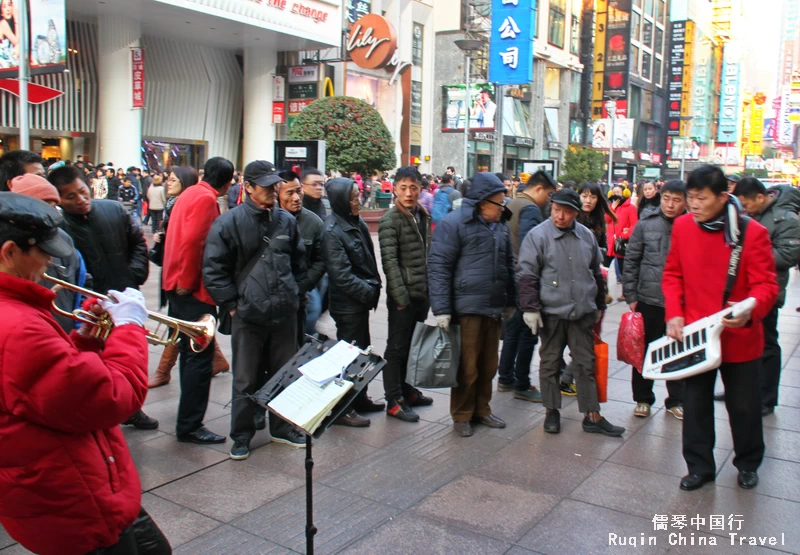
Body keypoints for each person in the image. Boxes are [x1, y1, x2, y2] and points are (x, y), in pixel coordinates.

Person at [0, 192, 171, 555]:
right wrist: (128, 329)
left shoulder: (16, 309)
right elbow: (111, 398)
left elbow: (47, 388)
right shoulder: (18, 324)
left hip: (68, 480)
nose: (50, 260)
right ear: (9, 252)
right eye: (42, 251)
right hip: (71, 499)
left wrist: (84, 342)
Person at [662, 165, 778, 491]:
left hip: (739, 335)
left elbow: (766, 285)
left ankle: (748, 463)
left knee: (744, 406)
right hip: (697, 336)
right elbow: (673, 275)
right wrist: (674, 314)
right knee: (696, 404)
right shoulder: (683, 227)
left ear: (723, 197)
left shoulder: (751, 232)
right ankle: (699, 467)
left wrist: (750, 309)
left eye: (701, 198)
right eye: (690, 198)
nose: (693, 205)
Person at [204, 161, 307, 459]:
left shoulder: (286, 221)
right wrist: (233, 306)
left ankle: (283, 427)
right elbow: (213, 269)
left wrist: (296, 293)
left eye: (274, 185)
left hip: (284, 312)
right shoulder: (228, 223)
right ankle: (242, 435)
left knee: (285, 373)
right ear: (247, 187)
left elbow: (299, 261)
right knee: (245, 379)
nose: (273, 191)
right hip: (248, 315)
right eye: (265, 186)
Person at [517, 188, 624, 437]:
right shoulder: (537, 236)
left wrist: (599, 304)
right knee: (550, 363)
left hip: (582, 311)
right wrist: (530, 308)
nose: (560, 216)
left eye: (566, 212)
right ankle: (551, 410)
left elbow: (596, 273)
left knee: (585, 364)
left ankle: (592, 415)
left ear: (576, 213)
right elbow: (526, 275)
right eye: (556, 210)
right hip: (551, 312)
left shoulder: (586, 236)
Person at [428, 172, 515, 437]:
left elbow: (508, 264)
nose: (503, 209)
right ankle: (462, 415)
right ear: (481, 202)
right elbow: (439, 267)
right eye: (499, 203)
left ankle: (482, 409)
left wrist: (510, 300)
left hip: (493, 307)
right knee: (467, 366)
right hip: (465, 308)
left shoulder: (500, 226)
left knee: (488, 365)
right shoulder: (453, 224)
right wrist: (442, 309)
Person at [162, 157, 234, 445]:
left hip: (177, 283)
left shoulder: (191, 192)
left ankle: (188, 422)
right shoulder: (206, 198)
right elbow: (194, 242)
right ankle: (190, 425)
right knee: (197, 361)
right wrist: (187, 281)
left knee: (190, 356)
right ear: (228, 184)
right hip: (191, 290)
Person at [148, 167, 230, 388]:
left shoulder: (190, 198)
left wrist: (183, 280)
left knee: (183, 334)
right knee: (189, 338)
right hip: (181, 279)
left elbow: (192, 241)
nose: (168, 183)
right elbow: (192, 242)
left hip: (179, 278)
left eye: (173, 179)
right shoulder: (196, 198)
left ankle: (165, 372)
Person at [733, 177, 800, 416]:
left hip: (769, 290)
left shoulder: (787, 218)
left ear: (760, 198)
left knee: (768, 343)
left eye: (747, 205)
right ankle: (741, 391)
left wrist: (752, 253)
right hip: (743, 288)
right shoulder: (753, 215)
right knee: (742, 340)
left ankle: (767, 398)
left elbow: (788, 255)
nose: (745, 210)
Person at [622, 180, 688, 420]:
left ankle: (676, 400)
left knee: (679, 352)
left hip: (680, 303)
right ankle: (643, 399)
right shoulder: (645, 224)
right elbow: (631, 261)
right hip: (648, 299)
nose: (670, 205)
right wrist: (631, 295)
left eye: (677, 200)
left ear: (685, 201)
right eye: (667, 198)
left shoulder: (692, 225)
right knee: (644, 351)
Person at [322, 178, 384, 427]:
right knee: (347, 356)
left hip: (359, 302)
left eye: (358, 195)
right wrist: (369, 292)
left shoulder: (355, 221)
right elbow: (342, 276)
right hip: (348, 304)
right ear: (340, 201)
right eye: (353, 197)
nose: (359, 201)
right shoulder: (331, 231)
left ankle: (359, 397)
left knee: (362, 352)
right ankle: (341, 407)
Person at [379, 166, 435, 422]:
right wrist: (401, 299)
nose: (409, 193)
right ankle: (393, 399)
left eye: (413, 187)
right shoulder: (391, 219)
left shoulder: (421, 215)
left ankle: (408, 391)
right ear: (395, 189)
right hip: (403, 299)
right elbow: (390, 263)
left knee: (414, 347)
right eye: (403, 187)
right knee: (397, 348)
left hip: (421, 293)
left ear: (420, 189)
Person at [497, 170, 557, 402]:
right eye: (549, 195)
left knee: (512, 331)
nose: (548, 202)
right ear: (539, 189)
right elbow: (529, 246)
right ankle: (521, 383)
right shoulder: (531, 208)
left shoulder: (513, 202)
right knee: (528, 333)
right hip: (524, 277)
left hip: (509, 274)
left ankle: (505, 378)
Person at [556, 182, 617, 394]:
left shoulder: (600, 221)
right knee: (563, 335)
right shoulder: (570, 218)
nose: (588, 200)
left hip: (591, 284)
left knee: (589, 333)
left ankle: (568, 376)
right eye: (584, 196)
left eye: (592, 196)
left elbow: (604, 255)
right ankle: (564, 376)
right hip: (567, 285)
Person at [277, 169, 326, 346]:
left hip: (301, 293)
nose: (296, 197)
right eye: (289, 193)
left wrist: (305, 283)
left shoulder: (313, 222)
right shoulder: (267, 220)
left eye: (298, 191)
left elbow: (321, 258)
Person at [607, 184, 638, 300]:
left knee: (623, 270)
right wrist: (612, 208)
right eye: (614, 192)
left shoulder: (630, 208)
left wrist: (624, 235)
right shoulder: (611, 206)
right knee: (604, 268)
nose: (616, 195)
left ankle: (625, 293)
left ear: (624, 193)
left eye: (618, 192)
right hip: (610, 243)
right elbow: (606, 219)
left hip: (621, 244)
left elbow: (634, 225)